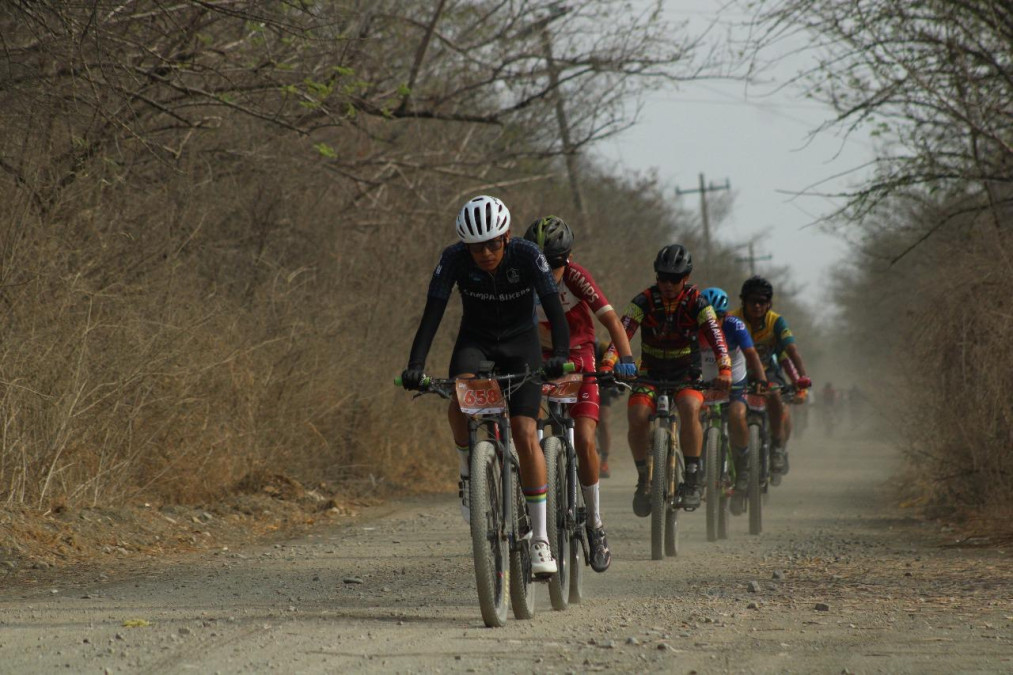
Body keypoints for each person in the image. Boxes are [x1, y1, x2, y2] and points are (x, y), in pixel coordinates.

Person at [400, 196, 570, 576]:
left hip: (521, 344)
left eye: (494, 244)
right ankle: (467, 471)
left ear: (507, 236)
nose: (487, 253)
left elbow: (555, 311)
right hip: (475, 341)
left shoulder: (528, 256)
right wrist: (415, 365)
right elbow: (433, 313)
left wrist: (559, 353)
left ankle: (541, 539)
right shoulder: (453, 259)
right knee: (458, 397)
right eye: (478, 247)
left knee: (527, 432)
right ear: (465, 245)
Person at [524, 216, 637, 573]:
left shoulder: (576, 277)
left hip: (579, 357)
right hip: (539, 358)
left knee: (586, 440)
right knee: (524, 431)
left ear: (567, 258)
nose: (549, 271)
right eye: (541, 262)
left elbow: (611, 320)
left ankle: (596, 524)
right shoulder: (521, 279)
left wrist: (626, 359)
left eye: (556, 263)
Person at [601, 244, 732, 513]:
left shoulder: (698, 303)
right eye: (662, 278)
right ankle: (643, 479)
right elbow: (622, 332)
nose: (668, 284)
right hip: (650, 370)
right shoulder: (643, 301)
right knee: (637, 416)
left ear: (685, 278)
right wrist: (608, 362)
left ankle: (693, 479)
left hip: (686, 373)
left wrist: (725, 369)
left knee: (689, 408)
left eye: (675, 279)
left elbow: (717, 337)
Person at [730, 276, 812, 476]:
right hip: (738, 371)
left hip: (768, 371)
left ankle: (776, 445)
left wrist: (802, 379)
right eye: (752, 301)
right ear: (743, 302)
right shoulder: (733, 319)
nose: (757, 306)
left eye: (762, 301)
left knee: (775, 395)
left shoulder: (776, 321)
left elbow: (791, 351)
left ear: (769, 303)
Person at [698, 287, 769, 511]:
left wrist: (761, 379)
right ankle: (697, 468)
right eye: (710, 317)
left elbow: (751, 355)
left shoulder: (735, 325)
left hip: (735, 381)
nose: (714, 322)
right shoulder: (695, 327)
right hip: (707, 382)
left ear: (725, 314)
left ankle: (743, 464)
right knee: (691, 417)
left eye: (718, 317)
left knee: (737, 414)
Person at [594, 339, 621, 479]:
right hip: (582, 385)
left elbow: (615, 363)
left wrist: (616, 386)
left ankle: (604, 460)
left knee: (604, 421)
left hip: (601, 385)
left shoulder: (602, 348)